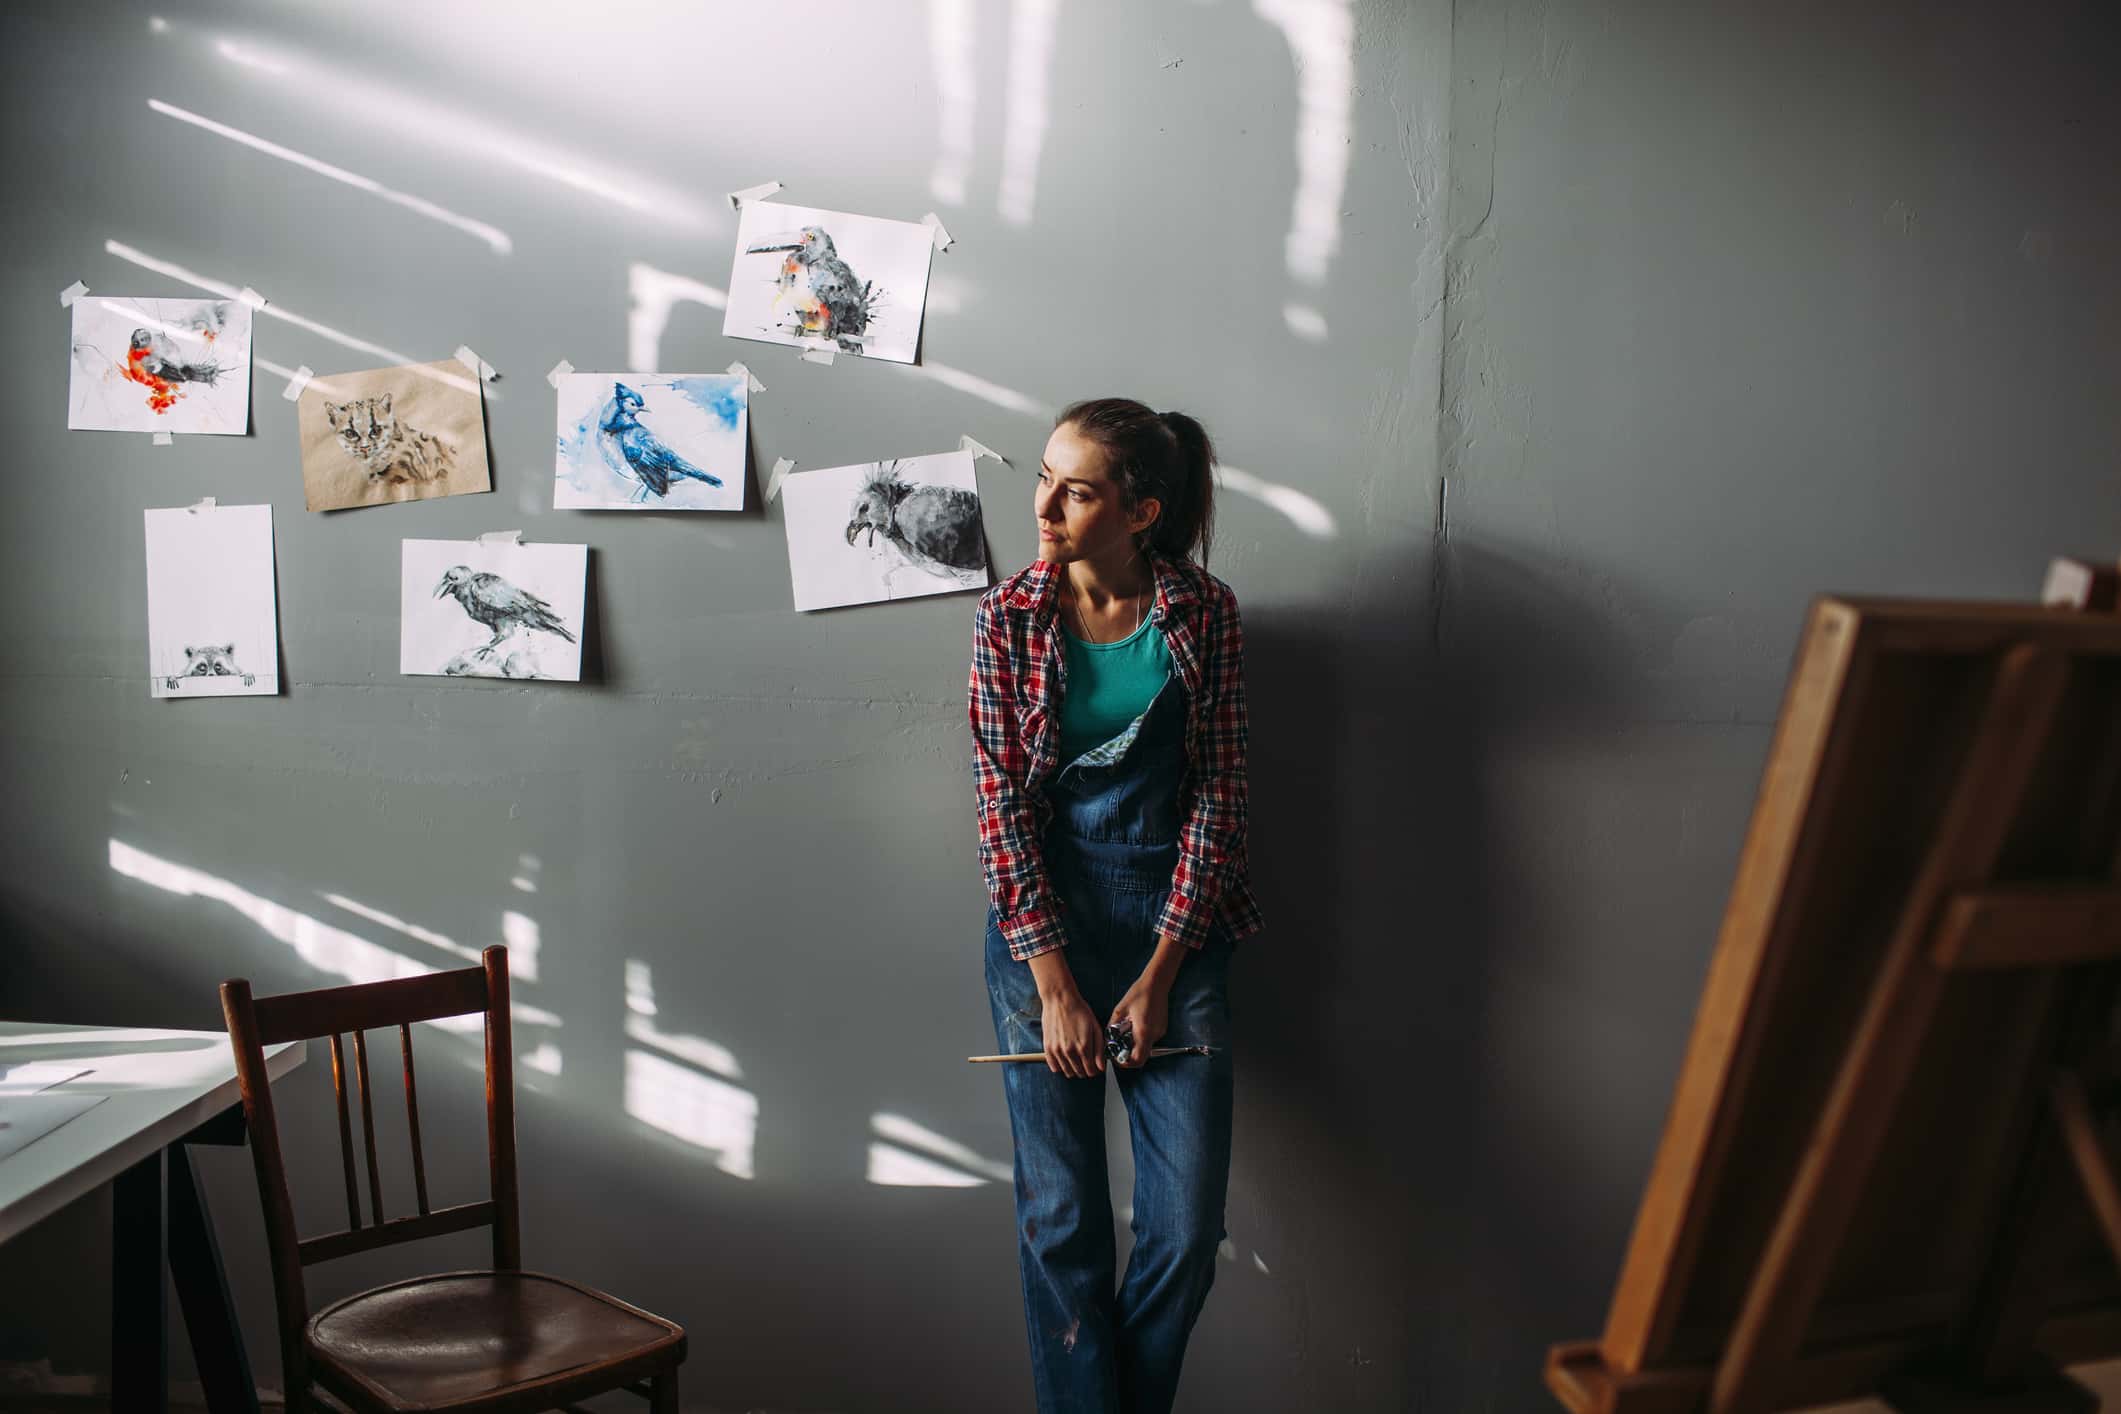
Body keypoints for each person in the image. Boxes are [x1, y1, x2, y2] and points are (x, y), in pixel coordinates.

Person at [968, 397, 1264, 1413]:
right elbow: (1001, 804)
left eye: (1077, 489)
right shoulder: (1009, 616)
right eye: (1043, 478)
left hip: (1177, 928)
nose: (1044, 505)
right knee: (1063, 1221)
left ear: (1142, 511)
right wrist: (1055, 985)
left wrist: (1158, 975)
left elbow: (1222, 795)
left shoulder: (1205, 613)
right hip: (1040, 928)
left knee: (1183, 1231)